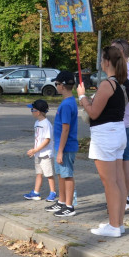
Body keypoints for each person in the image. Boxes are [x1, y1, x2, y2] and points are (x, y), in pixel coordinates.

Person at [77, 45, 129, 238]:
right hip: (118, 132)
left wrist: (82, 97)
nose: (100, 62)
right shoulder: (125, 83)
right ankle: (119, 223)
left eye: (101, 59)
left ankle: (113, 225)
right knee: (117, 180)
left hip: (105, 135)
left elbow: (93, 112)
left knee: (109, 182)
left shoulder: (107, 85)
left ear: (107, 61)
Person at [45, 71, 80, 217]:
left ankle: (69, 206)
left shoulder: (67, 104)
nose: (56, 86)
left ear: (63, 86)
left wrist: (60, 151)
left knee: (67, 175)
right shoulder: (68, 102)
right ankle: (62, 201)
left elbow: (66, 129)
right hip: (61, 146)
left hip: (65, 147)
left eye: (57, 84)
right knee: (60, 174)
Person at [113, 38, 129, 211]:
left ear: (121, 53)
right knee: (125, 161)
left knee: (118, 166)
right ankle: (126, 198)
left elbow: (124, 96)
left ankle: (122, 199)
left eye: (112, 50)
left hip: (120, 123)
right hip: (125, 122)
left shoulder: (125, 72)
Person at [23, 100, 57, 201]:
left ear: (38, 112)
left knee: (49, 174)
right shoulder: (37, 122)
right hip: (38, 153)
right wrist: (34, 150)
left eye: (32, 109)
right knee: (39, 173)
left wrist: (35, 149)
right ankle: (36, 192)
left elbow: (47, 140)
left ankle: (53, 192)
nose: (31, 111)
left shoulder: (46, 124)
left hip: (45, 154)